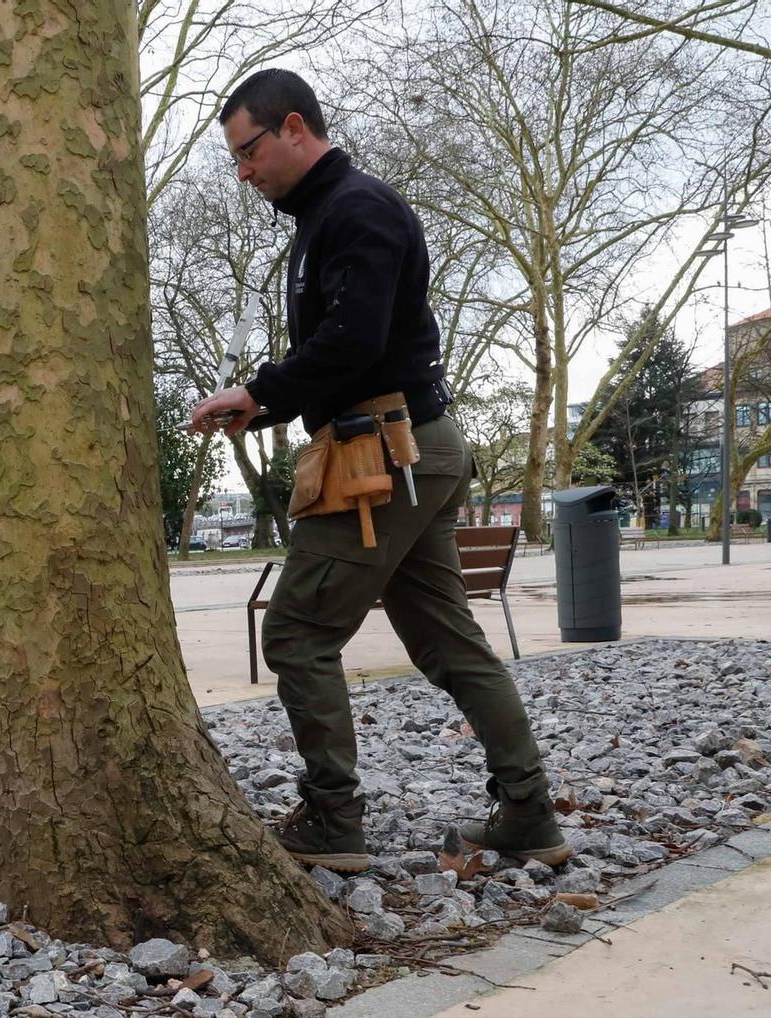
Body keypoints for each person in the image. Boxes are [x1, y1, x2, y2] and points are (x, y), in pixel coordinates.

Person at [187, 69, 568, 873]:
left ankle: (333, 820)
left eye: (248, 152)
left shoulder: (355, 209)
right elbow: (344, 343)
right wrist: (267, 398)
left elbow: (353, 342)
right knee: (450, 644)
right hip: (409, 448)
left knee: (294, 630)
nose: (245, 172)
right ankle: (529, 813)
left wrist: (262, 390)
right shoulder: (331, 215)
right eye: (236, 160)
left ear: (295, 127)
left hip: (383, 454)